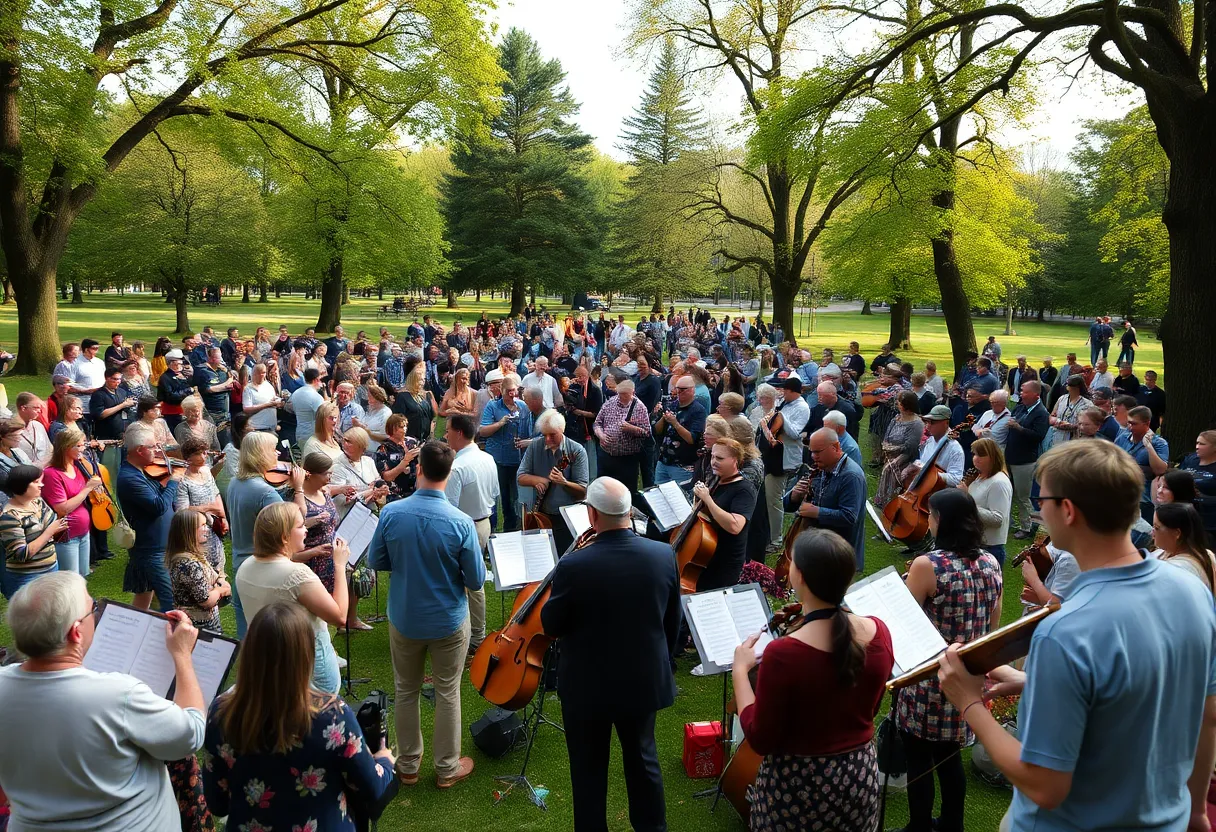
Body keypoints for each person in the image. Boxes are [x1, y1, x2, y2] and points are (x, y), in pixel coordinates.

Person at [937, 440, 1216, 831]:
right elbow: (1205, 713)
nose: (1039, 509)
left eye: (1042, 499)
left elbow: (1045, 785)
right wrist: (1197, 810)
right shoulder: (1192, 591)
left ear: (1067, 511)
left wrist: (968, 702)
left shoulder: (1064, 630)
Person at [0, 572, 207, 831]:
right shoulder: (119, 694)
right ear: (76, 632)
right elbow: (191, 733)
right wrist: (182, 654)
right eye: (94, 609)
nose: (97, 615)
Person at [539, 477, 680, 832]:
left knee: (588, 768)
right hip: (643, 679)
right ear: (629, 513)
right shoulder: (663, 555)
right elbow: (672, 622)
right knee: (643, 758)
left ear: (592, 515)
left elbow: (551, 623)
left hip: (587, 687)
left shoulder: (574, 565)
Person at [734, 529, 894, 829]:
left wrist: (740, 672)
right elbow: (869, 708)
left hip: (800, 783)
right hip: (860, 775)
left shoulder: (784, 653)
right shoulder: (879, 631)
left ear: (801, 577)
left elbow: (760, 738)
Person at [202, 602, 396, 832]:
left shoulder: (221, 714)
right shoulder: (333, 716)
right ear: (305, 655)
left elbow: (217, 803)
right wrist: (385, 761)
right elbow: (372, 789)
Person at [368, 441, 485, 788]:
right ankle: (446, 768)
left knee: (406, 690)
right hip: (447, 619)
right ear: (448, 474)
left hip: (405, 616)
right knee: (448, 691)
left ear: (418, 469)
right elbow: (476, 580)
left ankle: (408, 765)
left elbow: (377, 560)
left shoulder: (391, 513)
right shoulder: (461, 522)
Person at [898, 488, 1003, 832]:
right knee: (949, 757)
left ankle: (919, 827)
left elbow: (906, 620)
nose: (927, 520)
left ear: (941, 520)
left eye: (930, 514)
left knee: (918, 758)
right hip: (968, 677)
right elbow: (993, 625)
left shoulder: (928, 564)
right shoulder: (991, 562)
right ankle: (952, 825)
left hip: (930, 678)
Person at [236, 502, 350, 693]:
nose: (306, 530)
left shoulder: (246, 566)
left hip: (269, 662)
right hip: (308, 669)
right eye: (300, 526)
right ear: (284, 536)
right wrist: (339, 565)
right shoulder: (297, 575)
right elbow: (339, 616)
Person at [227, 431, 305, 638]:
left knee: (245, 627)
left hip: (239, 563)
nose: (278, 453)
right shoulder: (264, 492)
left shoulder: (235, 482)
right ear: (260, 454)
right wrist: (298, 489)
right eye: (273, 449)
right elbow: (295, 520)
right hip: (262, 567)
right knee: (268, 629)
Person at [444, 414, 497, 654]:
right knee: (474, 580)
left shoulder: (458, 467)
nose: (445, 435)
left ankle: (473, 636)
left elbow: (449, 508)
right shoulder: (488, 458)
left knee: (466, 583)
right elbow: (494, 494)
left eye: (448, 431)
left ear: (459, 433)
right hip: (483, 523)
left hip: (464, 528)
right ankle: (476, 634)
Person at [117, 423, 183, 611]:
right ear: (140, 450)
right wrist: (173, 481)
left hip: (157, 547)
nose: (158, 451)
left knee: (143, 597)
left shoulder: (143, 471)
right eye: (153, 446)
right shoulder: (129, 478)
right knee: (172, 602)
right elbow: (158, 506)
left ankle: (135, 628)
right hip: (151, 550)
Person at [785, 427, 868, 571]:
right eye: (811, 451)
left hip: (838, 556)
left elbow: (850, 517)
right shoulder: (820, 468)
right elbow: (786, 505)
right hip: (817, 549)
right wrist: (794, 497)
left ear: (835, 447)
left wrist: (817, 512)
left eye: (818, 452)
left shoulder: (851, 476)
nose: (813, 457)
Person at [687, 437, 757, 590]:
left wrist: (708, 499)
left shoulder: (744, 490)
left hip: (725, 563)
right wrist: (698, 501)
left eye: (719, 458)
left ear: (735, 460)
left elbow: (735, 526)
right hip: (706, 556)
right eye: (712, 456)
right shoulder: (716, 480)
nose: (713, 462)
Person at [517, 410, 589, 554]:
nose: (548, 439)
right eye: (544, 435)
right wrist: (539, 480)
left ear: (562, 430)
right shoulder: (535, 446)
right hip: (541, 515)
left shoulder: (577, 451)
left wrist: (564, 482)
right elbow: (520, 476)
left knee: (565, 556)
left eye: (552, 435)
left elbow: (582, 491)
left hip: (566, 518)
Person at [41, 428, 103, 577]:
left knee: (83, 576)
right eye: (79, 445)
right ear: (66, 447)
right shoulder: (52, 474)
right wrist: (87, 488)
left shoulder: (76, 466)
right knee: (70, 579)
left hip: (83, 531)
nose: (83, 449)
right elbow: (62, 509)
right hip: (67, 535)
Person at [757, 377, 810, 549]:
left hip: (784, 460)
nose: (781, 393)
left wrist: (781, 417)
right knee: (768, 497)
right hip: (772, 456)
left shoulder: (802, 408)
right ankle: (767, 533)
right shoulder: (784, 403)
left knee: (774, 500)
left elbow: (795, 433)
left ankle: (776, 540)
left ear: (791, 391)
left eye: (784, 390)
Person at [0, 465, 68, 598]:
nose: (41, 485)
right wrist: (49, 532)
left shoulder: (38, 501)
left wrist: (56, 530)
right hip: (27, 577)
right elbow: (21, 554)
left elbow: (52, 525)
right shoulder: (10, 516)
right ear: (21, 485)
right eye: (36, 482)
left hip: (51, 567)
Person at [479, 377, 532, 532]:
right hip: (499, 459)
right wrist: (500, 423)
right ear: (501, 391)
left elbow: (530, 430)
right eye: (508, 391)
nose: (511, 394)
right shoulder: (493, 406)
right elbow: (483, 431)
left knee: (518, 497)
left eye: (513, 391)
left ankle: (516, 527)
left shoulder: (523, 407)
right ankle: (498, 528)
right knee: (501, 495)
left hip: (518, 459)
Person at [165, 508, 230, 632]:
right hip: (199, 627)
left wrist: (221, 579)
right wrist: (221, 590)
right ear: (188, 531)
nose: (207, 529)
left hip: (200, 622)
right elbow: (205, 601)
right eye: (203, 525)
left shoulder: (190, 557)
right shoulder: (189, 564)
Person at [592, 378, 651, 498]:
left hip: (627, 459)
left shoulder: (640, 407)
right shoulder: (610, 402)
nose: (621, 397)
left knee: (626, 492)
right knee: (604, 490)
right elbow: (597, 423)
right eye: (619, 393)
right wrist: (601, 435)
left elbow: (647, 432)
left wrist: (631, 428)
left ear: (632, 392)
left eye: (625, 394)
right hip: (606, 455)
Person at [1007, 381, 1051, 539]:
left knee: (1022, 496)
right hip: (1010, 456)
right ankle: (1009, 522)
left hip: (1024, 461)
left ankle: (1027, 527)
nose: (1021, 394)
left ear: (1036, 395)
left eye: (1024, 391)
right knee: (1009, 493)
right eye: (1021, 391)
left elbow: (1038, 436)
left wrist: (1018, 428)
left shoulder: (1041, 414)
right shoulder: (1020, 407)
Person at [960, 437, 1014, 564]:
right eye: (974, 454)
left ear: (992, 457)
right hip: (975, 543)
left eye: (981, 455)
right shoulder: (979, 477)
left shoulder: (999, 482)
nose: (975, 458)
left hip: (989, 548)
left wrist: (967, 500)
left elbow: (997, 519)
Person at [1116, 405, 1169, 522]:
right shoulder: (1122, 438)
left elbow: (1160, 470)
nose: (1129, 427)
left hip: (1143, 496)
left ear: (1147, 423)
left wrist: (1148, 447)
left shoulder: (1159, 443)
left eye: (1134, 424)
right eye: (1128, 423)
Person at [874, 390, 926, 509]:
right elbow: (887, 434)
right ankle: (881, 500)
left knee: (890, 469)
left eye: (899, 402)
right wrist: (886, 446)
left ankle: (891, 503)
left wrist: (894, 450)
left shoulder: (916, 424)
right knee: (887, 469)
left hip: (905, 457)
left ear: (906, 405)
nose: (897, 404)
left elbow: (911, 446)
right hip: (890, 453)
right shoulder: (897, 418)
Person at [654, 374, 708, 486]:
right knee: (659, 491)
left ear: (692, 390)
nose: (679, 392)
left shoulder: (698, 411)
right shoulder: (671, 405)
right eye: (677, 389)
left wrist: (675, 423)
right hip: (663, 461)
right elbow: (657, 431)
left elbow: (692, 439)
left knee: (681, 494)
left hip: (683, 465)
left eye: (683, 390)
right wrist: (663, 418)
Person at [1152, 502, 1215, 593]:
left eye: (1157, 528)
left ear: (1177, 533)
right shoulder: (1206, 554)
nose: (1152, 532)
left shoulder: (1177, 569)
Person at [330, 426, 388, 522]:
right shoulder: (337, 466)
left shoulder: (369, 461)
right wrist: (371, 491)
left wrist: (382, 489)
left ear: (360, 446)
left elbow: (378, 483)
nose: (345, 443)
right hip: (349, 518)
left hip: (370, 515)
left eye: (349, 441)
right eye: (344, 440)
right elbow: (341, 500)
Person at [374, 413, 419, 502]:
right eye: (401, 427)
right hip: (395, 495)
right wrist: (404, 462)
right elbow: (386, 477)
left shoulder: (412, 442)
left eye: (405, 426)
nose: (405, 429)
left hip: (415, 491)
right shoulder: (384, 449)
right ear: (392, 429)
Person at [394, 364, 436, 442]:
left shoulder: (424, 396)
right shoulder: (402, 396)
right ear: (412, 380)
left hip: (425, 439)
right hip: (409, 438)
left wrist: (431, 434)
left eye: (423, 380)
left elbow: (432, 416)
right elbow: (398, 419)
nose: (422, 382)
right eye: (419, 380)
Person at [290, 367, 326, 449]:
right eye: (320, 380)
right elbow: (323, 416)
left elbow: (293, 410)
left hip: (300, 434)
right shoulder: (316, 397)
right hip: (313, 436)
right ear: (316, 380)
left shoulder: (295, 393)